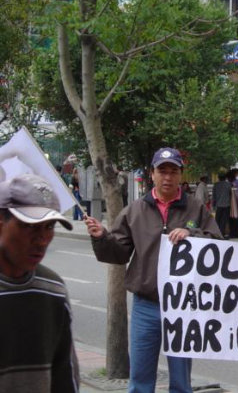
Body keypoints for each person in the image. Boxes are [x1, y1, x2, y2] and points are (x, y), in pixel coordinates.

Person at [84, 147, 222, 393]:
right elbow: (118, 253)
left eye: (173, 171)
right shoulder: (135, 210)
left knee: (181, 381)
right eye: (162, 171)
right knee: (140, 379)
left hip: (182, 307)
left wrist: (193, 233)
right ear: (152, 174)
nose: (167, 177)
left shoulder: (195, 209)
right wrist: (101, 237)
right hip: (145, 306)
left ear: (181, 175)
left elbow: (218, 244)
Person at [0, 174, 78, 392]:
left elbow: (64, 374)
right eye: (30, 226)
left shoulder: (53, 290)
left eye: (49, 226)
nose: (42, 239)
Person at [212, 171, 232, 239]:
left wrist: (213, 205)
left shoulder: (216, 185)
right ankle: (222, 234)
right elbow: (231, 194)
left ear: (219, 178)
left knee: (217, 220)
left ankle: (216, 234)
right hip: (226, 205)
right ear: (225, 178)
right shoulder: (228, 185)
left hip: (218, 205)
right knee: (224, 220)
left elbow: (213, 196)